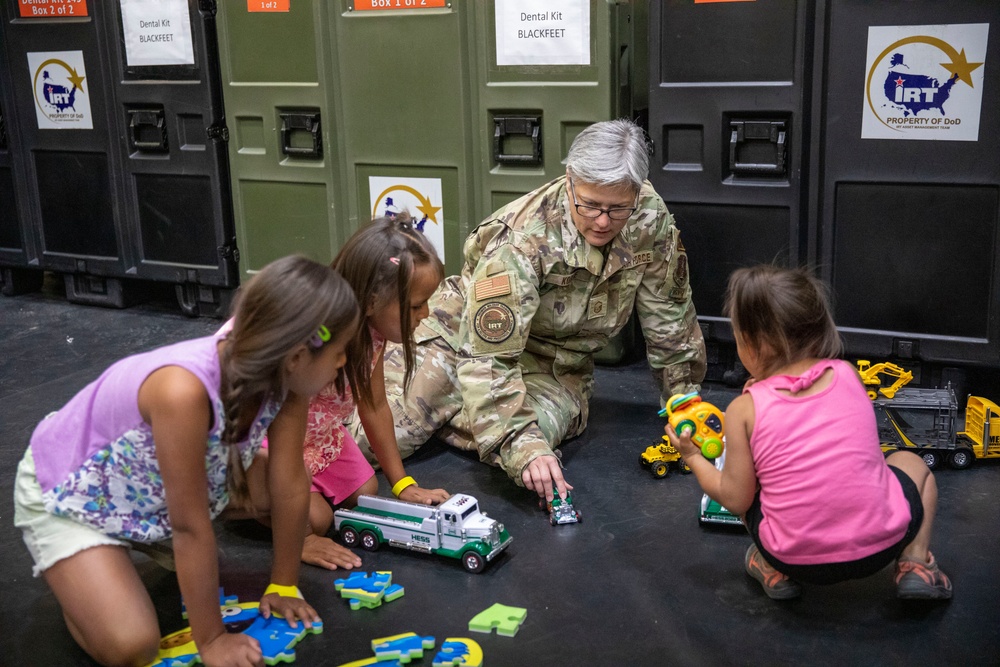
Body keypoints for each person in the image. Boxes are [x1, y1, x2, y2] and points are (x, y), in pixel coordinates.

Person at [13, 255, 358, 666]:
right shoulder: (183, 391)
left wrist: (283, 585)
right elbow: (189, 527)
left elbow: (288, 478)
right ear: (298, 356)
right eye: (339, 352)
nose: (343, 362)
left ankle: (117, 559)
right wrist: (211, 640)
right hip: (72, 495)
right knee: (132, 645)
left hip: (153, 491)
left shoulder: (282, 366)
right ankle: (84, 584)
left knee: (296, 499)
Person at [353, 118, 707, 503]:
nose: (603, 221)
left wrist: (683, 405)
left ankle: (466, 407)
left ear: (636, 193)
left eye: (618, 209)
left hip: (554, 366)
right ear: (569, 179)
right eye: (589, 205)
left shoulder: (649, 217)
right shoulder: (521, 241)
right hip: (460, 339)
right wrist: (514, 437)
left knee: (534, 439)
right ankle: (461, 401)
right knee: (374, 443)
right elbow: (488, 357)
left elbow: (670, 318)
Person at [667, 265, 952, 601]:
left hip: (794, 557)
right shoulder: (847, 374)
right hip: (881, 548)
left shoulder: (744, 410)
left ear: (751, 345)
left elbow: (734, 499)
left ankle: (772, 570)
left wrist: (692, 456)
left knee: (748, 483)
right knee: (910, 463)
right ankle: (915, 564)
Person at [298, 214, 450, 571]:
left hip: (319, 437)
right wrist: (301, 537)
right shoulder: (316, 337)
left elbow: (374, 402)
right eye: (415, 305)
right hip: (272, 438)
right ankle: (260, 507)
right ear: (370, 300)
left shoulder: (372, 335)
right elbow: (276, 416)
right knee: (316, 521)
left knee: (365, 493)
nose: (425, 314)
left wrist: (402, 483)